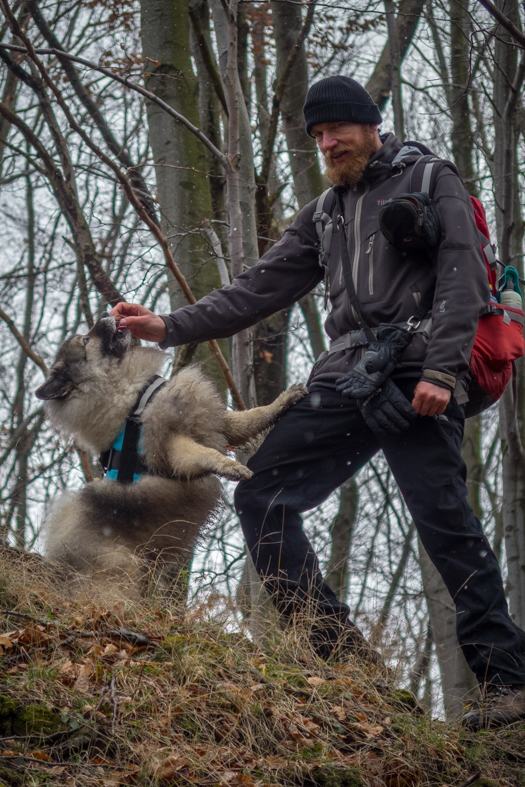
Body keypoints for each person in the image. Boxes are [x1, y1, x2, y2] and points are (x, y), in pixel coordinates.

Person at [112, 75, 525, 729]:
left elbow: (462, 275)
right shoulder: (325, 211)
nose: (326, 143)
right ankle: (350, 667)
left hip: (419, 369)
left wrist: (442, 373)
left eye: (335, 129)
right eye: (316, 136)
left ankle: (506, 681)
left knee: (442, 521)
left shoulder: (429, 178)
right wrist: (169, 325)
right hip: (345, 379)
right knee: (259, 497)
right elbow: (258, 289)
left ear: (367, 124)